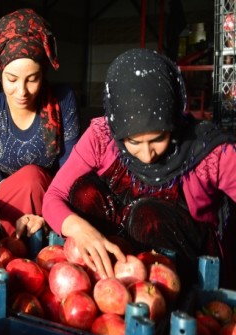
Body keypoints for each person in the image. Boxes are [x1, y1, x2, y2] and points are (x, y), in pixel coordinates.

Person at [42, 48, 236, 287]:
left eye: (159, 138)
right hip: (112, 274)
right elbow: (53, 197)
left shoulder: (208, 153)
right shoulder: (101, 137)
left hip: (179, 275)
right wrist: (79, 229)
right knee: (84, 192)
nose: (146, 155)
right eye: (133, 142)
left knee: (148, 216)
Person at [0, 8, 80, 252]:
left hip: (54, 203)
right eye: (11, 79)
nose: (22, 91)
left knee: (34, 177)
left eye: (32, 79)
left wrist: (49, 212)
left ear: (44, 72)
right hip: (8, 209)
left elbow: (72, 174)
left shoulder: (63, 101)